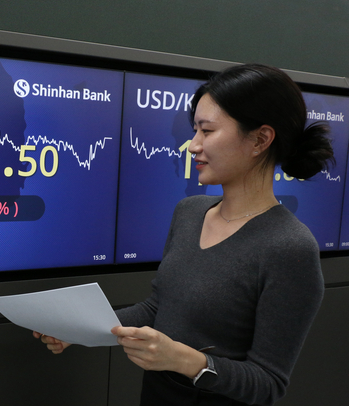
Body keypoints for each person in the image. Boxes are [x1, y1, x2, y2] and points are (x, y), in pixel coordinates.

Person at [34, 63, 334, 406]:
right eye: (195, 131)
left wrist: (185, 360)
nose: (193, 145)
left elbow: (267, 383)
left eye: (207, 131)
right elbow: (159, 308)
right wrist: (80, 328)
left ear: (260, 139)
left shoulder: (290, 248)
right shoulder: (189, 212)